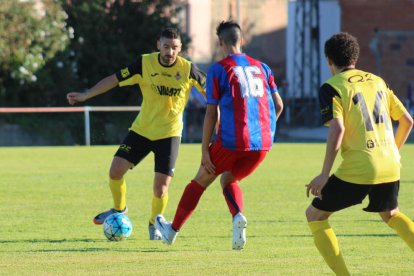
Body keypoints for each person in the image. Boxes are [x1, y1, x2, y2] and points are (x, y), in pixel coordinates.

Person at [66, 28, 206, 240]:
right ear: (158, 44)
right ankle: (119, 208)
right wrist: (87, 94)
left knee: (161, 189)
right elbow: (114, 79)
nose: (170, 52)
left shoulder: (188, 69)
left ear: (180, 49)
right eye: (166, 46)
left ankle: (154, 223)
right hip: (142, 130)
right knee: (115, 171)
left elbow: (213, 92)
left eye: (175, 48)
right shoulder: (144, 63)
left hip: (169, 135)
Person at [155, 20, 284, 250]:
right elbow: (279, 105)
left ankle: (171, 231)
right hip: (262, 143)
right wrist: (265, 129)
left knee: (199, 181)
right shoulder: (263, 68)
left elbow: (211, 113)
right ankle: (237, 216)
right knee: (228, 179)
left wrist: (205, 150)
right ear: (242, 40)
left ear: (220, 42)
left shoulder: (218, 69)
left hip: (232, 141)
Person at [305, 32, 414, 275]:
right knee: (391, 215)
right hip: (390, 164)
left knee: (315, 215)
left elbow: (337, 128)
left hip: (361, 166)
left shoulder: (332, 87)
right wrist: (392, 152)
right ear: (355, 56)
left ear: (329, 60)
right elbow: (407, 121)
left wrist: (324, 175)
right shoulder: (378, 81)